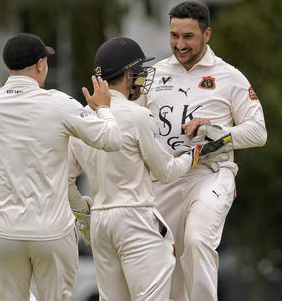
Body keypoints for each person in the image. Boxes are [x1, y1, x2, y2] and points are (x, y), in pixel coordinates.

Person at [68, 37, 231, 300]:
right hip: (136, 218)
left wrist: (85, 216)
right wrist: (197, 153)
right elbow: (165, 171)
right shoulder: (137, 115)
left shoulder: (80, 119)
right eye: (139, 70)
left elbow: (66, 180)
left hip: (100, 223)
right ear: (127, 73)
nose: (142, 76)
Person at [0, 32, 123, 301]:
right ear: (41, 65)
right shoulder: (58, 102)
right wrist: (104, 108)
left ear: (8, 67)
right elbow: (112, 139)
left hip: (2, 233)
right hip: (51, 232)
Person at [137, 1, 267, 301]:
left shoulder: (229, 76)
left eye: (188, 37)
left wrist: (215, 133)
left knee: (196, 241)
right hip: (164, 179)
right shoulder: (152, 76)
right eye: (174, 36)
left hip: (209, 176)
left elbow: (258, 131)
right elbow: (132, 122)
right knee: (166, 265)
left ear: (207, 34)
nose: (179, 45)